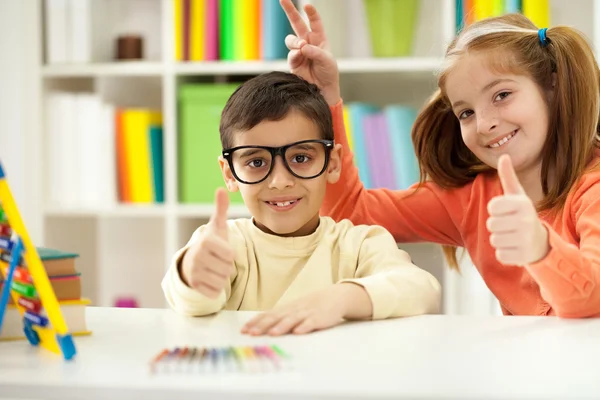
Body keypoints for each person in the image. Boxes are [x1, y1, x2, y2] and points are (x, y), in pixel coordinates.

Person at [279, 0, 600, 318]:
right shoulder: (471, 200)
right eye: (466, 112)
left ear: (552, 87)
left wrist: (541, 248)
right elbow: (349, 213)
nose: (485, 123)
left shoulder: (593, 189)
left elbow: (592, 298)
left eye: (502, 95)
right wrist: (323, 100)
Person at [161, 71, 441, 336]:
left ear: (332, 163)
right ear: (229, 173)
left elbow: (423, 290)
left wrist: (342, 298)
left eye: (300, 158)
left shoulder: (358, 244)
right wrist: (191, 274)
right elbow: (194, 301)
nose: (280, 181)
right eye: (257, 162)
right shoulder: (226, 244)